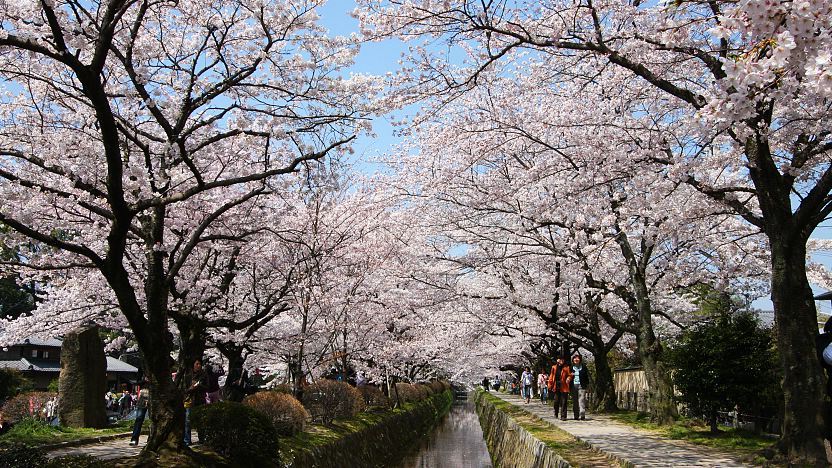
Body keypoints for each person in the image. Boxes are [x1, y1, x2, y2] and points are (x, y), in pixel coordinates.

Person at [183, 359, 208, 446]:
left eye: (200, 364)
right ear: (193, 365)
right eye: (197, 364)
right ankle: (187, 440)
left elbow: (207, 387)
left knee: (200, 420)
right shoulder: (187, 376)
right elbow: (183, 389)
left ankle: (202, 439)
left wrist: (199, 386)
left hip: (200, 399)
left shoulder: (204, 376)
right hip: (189, 400)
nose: (199, 365)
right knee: (187, 420)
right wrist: (190, 389)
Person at [548, 356, 572, 420]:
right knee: (556, 401)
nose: (561, 360)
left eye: (563, 359)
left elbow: (570, 375)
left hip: (564, 386)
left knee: (564, 401)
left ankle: (563, 416)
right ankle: (556, 413)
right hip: (556, 385)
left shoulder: (566, 367)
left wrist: (568, 378)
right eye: (560, 359)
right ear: (557, 360)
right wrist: (550, 385)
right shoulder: (554, 367)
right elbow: (551, 376)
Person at [570, 354, 590, 420]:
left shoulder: (583, 367)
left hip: (582, 385)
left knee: (581, 400)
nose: (576, 359)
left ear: (580, 359)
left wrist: (587, 386)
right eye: (575, 358)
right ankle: (576, 415)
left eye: (577, 358)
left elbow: (586, 377)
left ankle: (582, 415)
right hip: (573, 386)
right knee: (575, 401)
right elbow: (568, 376)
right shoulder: (571, 367)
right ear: (573, 360)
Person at [130, 381, 150, 446]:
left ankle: (151, 439)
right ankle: (134, 439)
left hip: (155, 394)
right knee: (139, 418)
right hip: (143, 395)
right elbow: (138, 381)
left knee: (154, 420)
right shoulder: (144, 372)